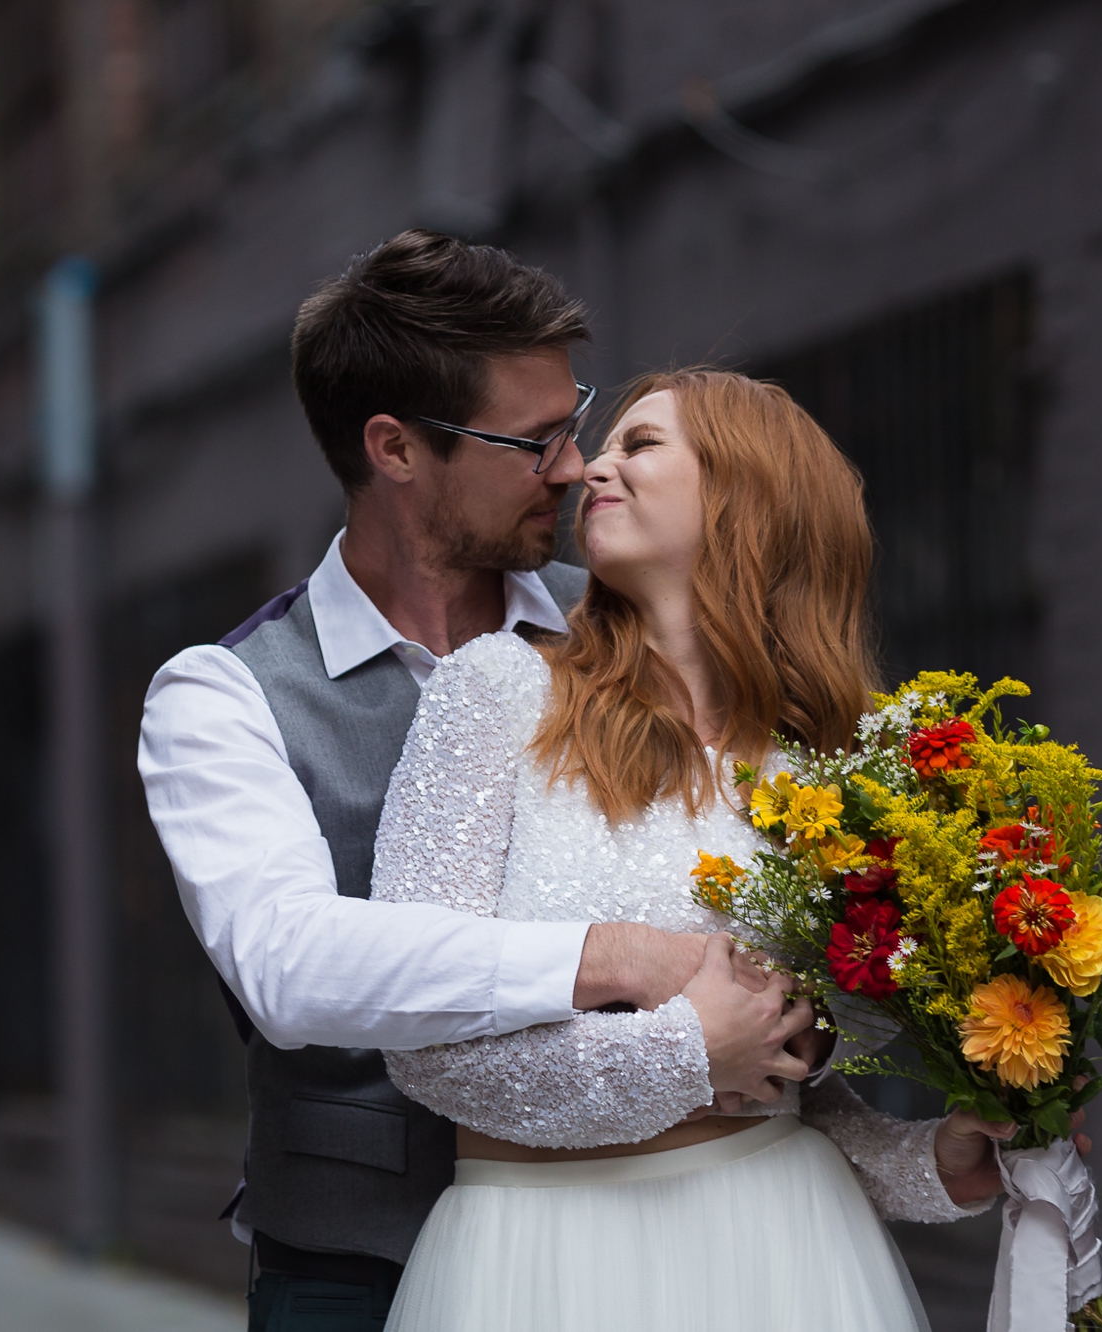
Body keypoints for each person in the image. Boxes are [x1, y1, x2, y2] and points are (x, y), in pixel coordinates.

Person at [138, 233, 813, 1332]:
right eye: (532, 440)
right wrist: (610, 958)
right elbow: (288, 964)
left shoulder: (636, 621)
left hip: (646, 1246)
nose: (572, 466)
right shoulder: (223, 696)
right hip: (351, 1272)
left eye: (574, 420)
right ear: (395, 450)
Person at [368, 370, 1022, 1332]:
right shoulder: (497, 692)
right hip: (539, 1263)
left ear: (747, 495)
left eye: (641, 445)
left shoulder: (837, 771)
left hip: (784, 1251)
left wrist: (932, 1162)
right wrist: (687, 1052)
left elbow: (788, 1095)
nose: (592, 468)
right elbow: (418, 1038)